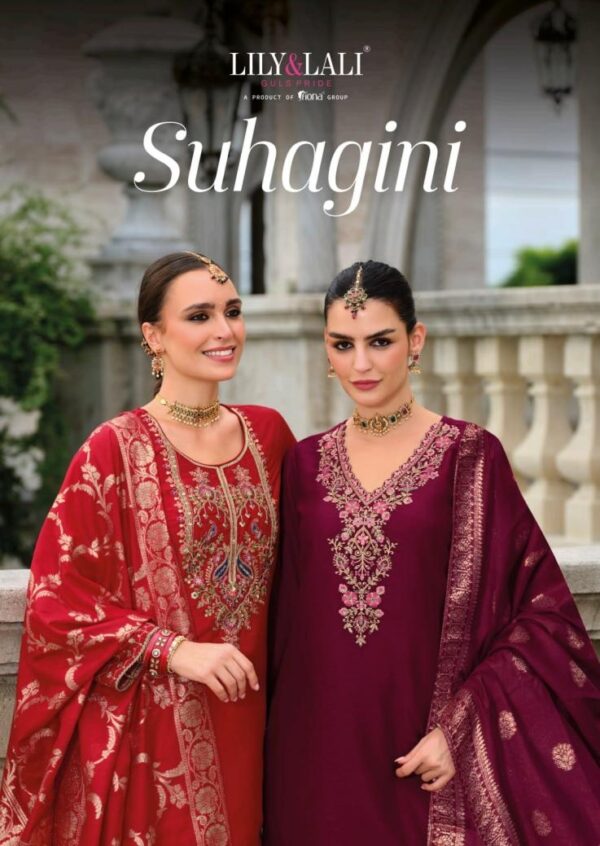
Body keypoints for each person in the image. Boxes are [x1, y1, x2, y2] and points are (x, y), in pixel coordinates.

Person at [264, 260, 600, 845]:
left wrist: (460, 729)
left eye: (380, 342)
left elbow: (540, 614)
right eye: (343, 345)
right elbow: (283, 622)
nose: (360, 364)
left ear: (415, 340)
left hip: (424, 751)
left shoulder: (468, 455)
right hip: (315, 751)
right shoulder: (303, 464)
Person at [0, 251, 295, 846]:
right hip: (154, 733)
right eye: (199, 316)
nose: (224, 330)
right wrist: (173, 649)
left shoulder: (269, 435)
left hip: (260, 720)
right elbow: (58, 599)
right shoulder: (114, 448)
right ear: (153, 336)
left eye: (233, 311)